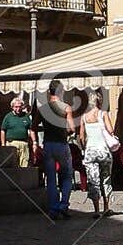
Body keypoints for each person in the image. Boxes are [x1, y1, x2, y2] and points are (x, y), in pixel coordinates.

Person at [39, 79, 75, 221]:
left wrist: (36, 142)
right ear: (61, 91)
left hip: (48, 144)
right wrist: (66, 132)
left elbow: (34, 127)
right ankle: (63, 205)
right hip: (61, 144)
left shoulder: (43, 108)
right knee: (66, 175)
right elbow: (72, 128)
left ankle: (53, 208)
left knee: (51, 178)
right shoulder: (66, 107)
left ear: (49, 91)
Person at [79, 89, 115, 218]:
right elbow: (111, 130)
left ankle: (96, 210)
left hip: (90, 151)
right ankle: (106, 207)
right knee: (105, 179)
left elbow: (81, 136)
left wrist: (84, 148)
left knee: (93, 181)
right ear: (99, 101)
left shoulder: (84, 117)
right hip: (103, 151)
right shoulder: (103, 114)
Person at [0, 97, 33, 168]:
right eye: (16, 107)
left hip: (24, 144)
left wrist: (34, 142)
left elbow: (31, 129)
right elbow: (3, 130)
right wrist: (3, 144)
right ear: (12, 107)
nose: (18, 109)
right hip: (12, 143)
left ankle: (23, 178)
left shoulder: (26, 116)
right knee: (12, 165)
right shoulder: (8, 117)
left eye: (20, 107)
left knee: (24, 165)